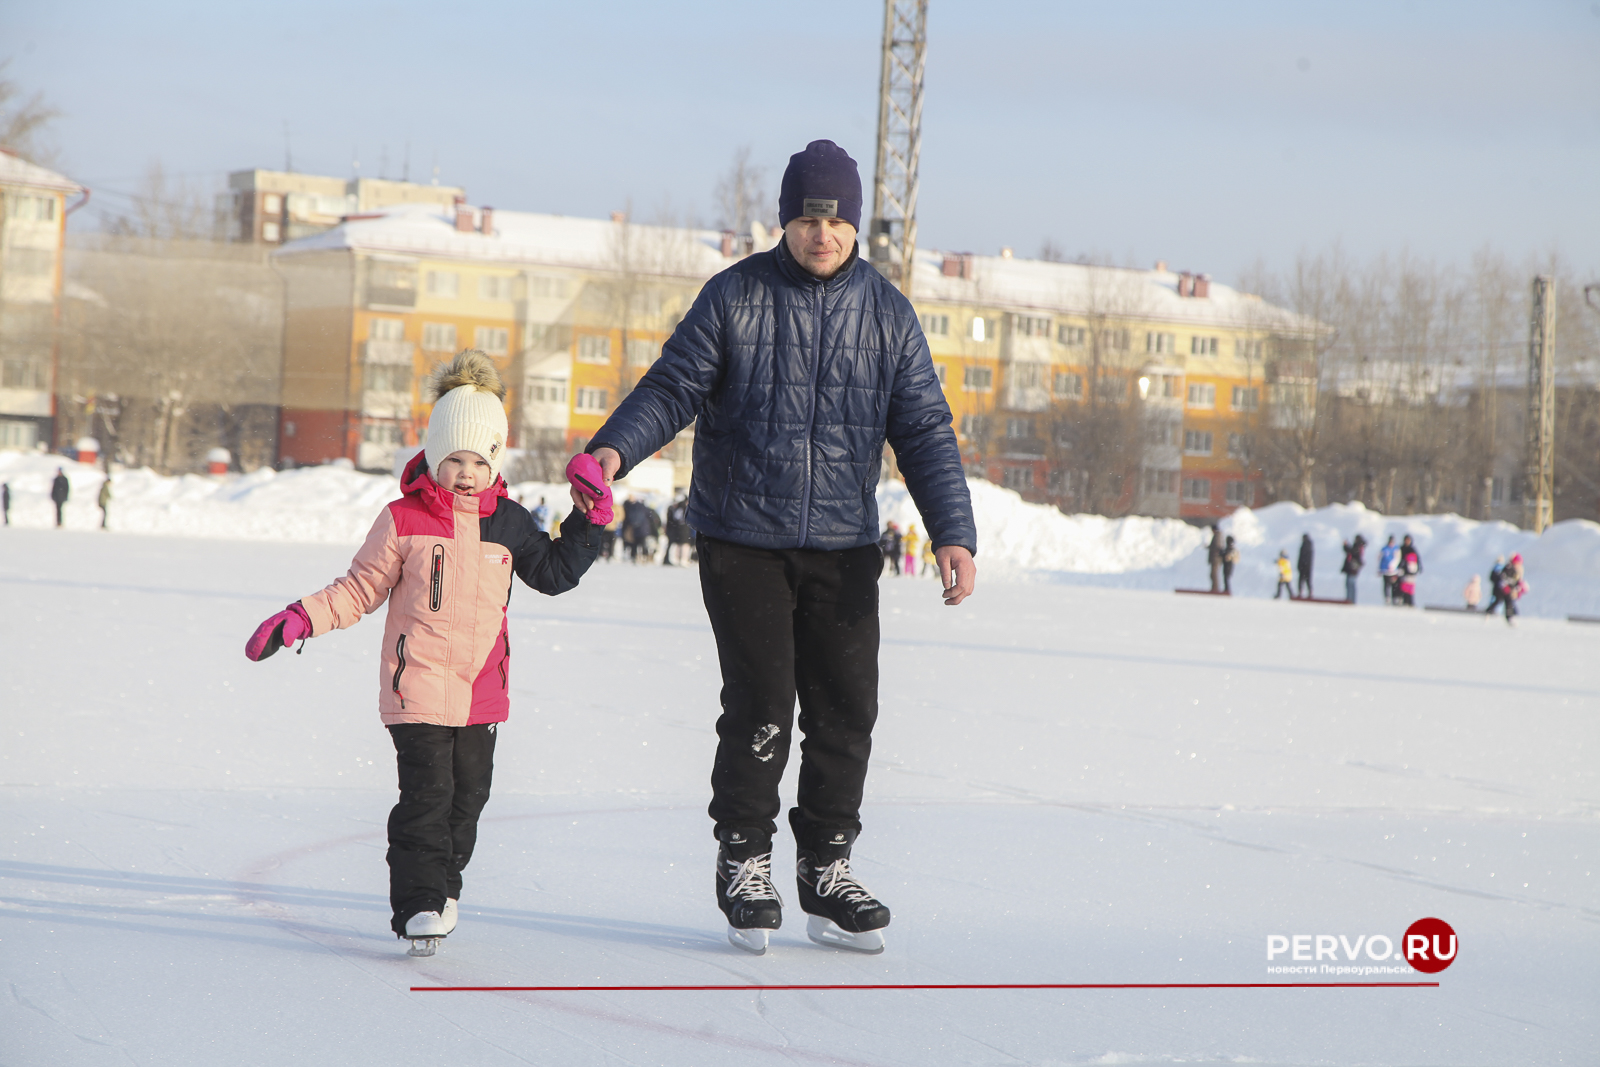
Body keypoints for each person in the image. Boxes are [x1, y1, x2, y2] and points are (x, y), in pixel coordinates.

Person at [572, 139, 977, 956]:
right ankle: (745, 859)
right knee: (763, 705)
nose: (820, 233)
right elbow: (673, 385)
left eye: (833, 219)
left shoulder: (888, 315)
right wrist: (613, 450)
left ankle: (827, 865)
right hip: (742, 538)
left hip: (844, 544)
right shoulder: (735, 297)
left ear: (855, 226)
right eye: (805, 216)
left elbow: (926, 430)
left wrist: (953, 533)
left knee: (846, 708)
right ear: (786, 220)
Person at [242, 351, 602, 954]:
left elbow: (557, 573)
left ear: (496, 461)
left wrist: (591, 520)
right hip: (416, 688)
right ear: (435, 457)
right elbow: (359, 589)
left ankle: (446, 885)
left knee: (469, 799)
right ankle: (418, 904)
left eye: (479, 460)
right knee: (427, 798)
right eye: (454, 459)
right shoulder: (402, 520)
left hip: (482, 690)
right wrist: (300, 617)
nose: (466, 473)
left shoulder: (510, 524)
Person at [1497, 553, 1527, 625]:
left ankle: (1514, 616)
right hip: (1506, 591)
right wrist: (1506, 586)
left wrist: (1520, 586)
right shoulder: (1508, 568)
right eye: (1517, 563)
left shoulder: (1517, 569)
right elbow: (1503, 578)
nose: (1518, 564)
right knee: (1507, 603)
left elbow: (1517, 580)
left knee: (1511, 603)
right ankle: (1509, 616)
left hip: (1512, 591)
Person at [664, 493, 693, 566]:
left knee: (680, 545)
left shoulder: (676, 509)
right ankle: (682, 559)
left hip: (679, 530)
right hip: (684, 530)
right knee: (683, 545)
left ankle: (679, 559)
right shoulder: (683, 509)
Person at [1397, 534, 1422, 606]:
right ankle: (1403, 601)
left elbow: (1417, 559)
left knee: (1410, 588)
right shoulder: (1401, 549)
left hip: (1411, 572)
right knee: (1403, 587)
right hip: (1404, 571)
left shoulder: (1412, 549)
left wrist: (1419, 568)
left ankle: (1410, 602)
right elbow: (1398, 559)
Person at [1340, 534, 1366, 604]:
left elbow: (1352, 551)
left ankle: (1350, 600)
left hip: (1353, 569)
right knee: (1350, 584)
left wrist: (1346, 545)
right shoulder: (1359, 546)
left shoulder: (1358, 546)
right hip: (1352, 569)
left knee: (1350, 584)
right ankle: (1350, 600)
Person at [1378, 536, 1400, 604]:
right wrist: (1379, 568)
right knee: (1386, 585)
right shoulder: (1384, 549)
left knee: (1394, 585)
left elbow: (1398, 558)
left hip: (1393, 571)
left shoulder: (1396, 549)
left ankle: (1394, 598)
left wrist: (1393, 566)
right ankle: (1387, 598)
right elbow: (1379, 558)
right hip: (1385, 570)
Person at [1296, 533, 1314, 600]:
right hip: (1308, 567)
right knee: (1308, 580)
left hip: (1304, 566)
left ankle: (1301, 593)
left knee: (1302, 580)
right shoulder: (1310, 546)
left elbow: (1302, 557)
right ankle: (1310, 593)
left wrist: (1300, 566)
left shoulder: (1305, 545)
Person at [1207, 525, 1223, 593]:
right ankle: (1214, 588)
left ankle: (1215, 588)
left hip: (1215, 559)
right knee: (1213, 574)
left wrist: (1211, 548)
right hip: (1215, 558)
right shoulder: (1217, 536)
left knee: (1214, 574)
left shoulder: (1217, 536)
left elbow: (1217, 547)